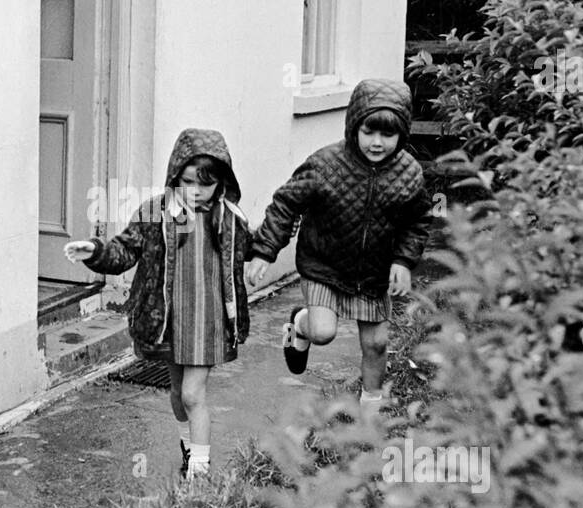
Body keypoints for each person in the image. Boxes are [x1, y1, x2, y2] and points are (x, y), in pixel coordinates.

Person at [65, 129, 250, 479]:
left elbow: (249, 253)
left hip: (208, 324)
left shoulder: (230, 218)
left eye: (205, 184)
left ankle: (199, 474)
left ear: (222, 181)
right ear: (175, 176)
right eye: (188, 182)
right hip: (171, 321)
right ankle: (188, 445)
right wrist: (96, 252)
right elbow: (126, 249)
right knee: (179, 393)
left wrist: (261, 259)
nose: (196, 191)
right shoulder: (157, 212)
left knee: (194, 395)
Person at [246, 79, 433, 424]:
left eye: (388, 135)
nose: (377, 142)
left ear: (402, 134)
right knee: (323, 333)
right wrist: (265, 250)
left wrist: (403, 261)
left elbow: (418, 220)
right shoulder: (326, 164)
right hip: (324, 265)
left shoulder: (408, 173)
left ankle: (370, 413)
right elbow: (286, 204)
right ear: (354, 125)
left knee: (376, 344)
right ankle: (299, 327)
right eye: (369, 131)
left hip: (375, 273)